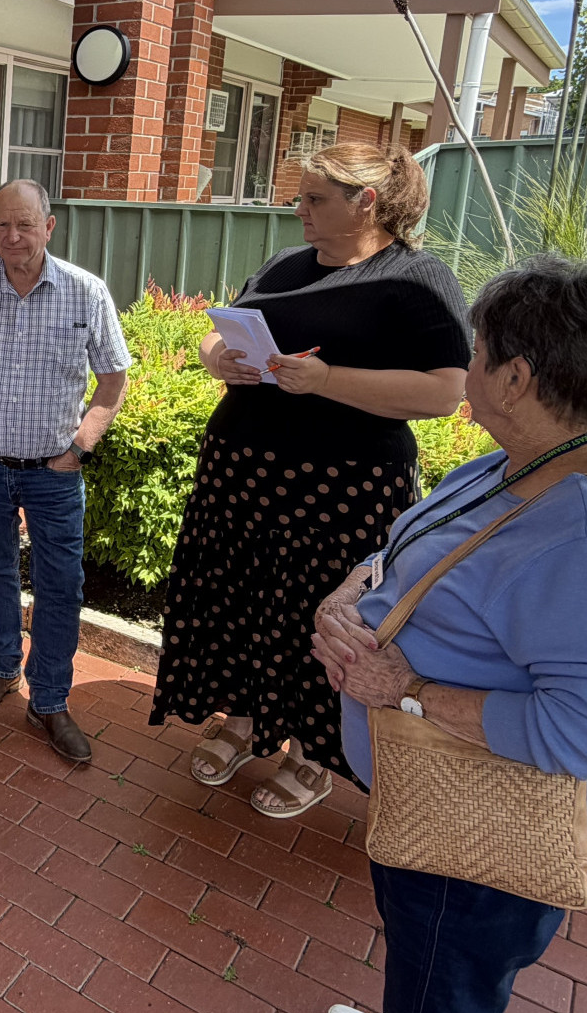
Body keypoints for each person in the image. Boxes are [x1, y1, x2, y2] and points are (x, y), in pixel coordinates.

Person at [313, 255, 587, 1013]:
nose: (465, 365)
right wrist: (352, 594)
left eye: (476, 351)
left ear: (515, 377)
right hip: (448, 810)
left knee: (447, 993)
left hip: (481, 838)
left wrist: (404, 687)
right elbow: (415, 553)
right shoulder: (539, 460)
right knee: (437, 974)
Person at [150, 143, 471, 819]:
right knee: (240, 599)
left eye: (315, 198)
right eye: (301, 196)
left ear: (368, 202)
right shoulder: (285, 263)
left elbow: (445, 390)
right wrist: (221, 359)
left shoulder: (417, 278)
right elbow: (219, 330)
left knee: (320, 614)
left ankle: (312, 753)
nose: (300, 209)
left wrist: (328, 382)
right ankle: (241, 719)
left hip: (342, 488)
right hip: (243, 474)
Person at [0, 179, 130, 764]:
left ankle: (52, 698)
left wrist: (83, 442)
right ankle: (2, 666)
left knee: (62, 586)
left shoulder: (85, 293)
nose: (13, 237)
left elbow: (113, 377)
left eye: (25, 225)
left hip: (54, 474)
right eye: (2, 225)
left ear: (49, 226)